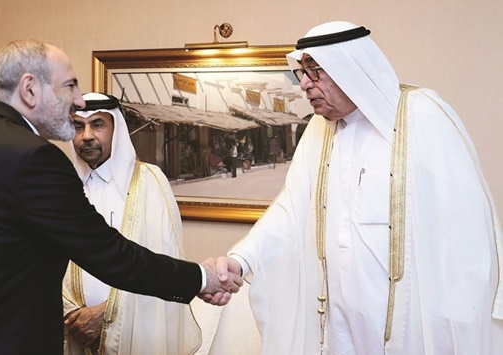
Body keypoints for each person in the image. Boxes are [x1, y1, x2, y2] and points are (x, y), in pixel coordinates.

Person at [0, 39, 241, 355]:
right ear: (30, 89)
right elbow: (110, 254)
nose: (78, 100)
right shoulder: (33, 158)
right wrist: (200, 278)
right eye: (70, 86)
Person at [205, 21, 503, 354]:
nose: (304, 84)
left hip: (411, 326)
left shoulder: (421, 117)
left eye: (314, 72)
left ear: (350, 69)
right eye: (301, 72)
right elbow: (289, 214)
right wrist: (241, 261)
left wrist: (459, 318)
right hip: (337, 326)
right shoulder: (318, 133)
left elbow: (465, 230)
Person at [62, 93, 201, 354]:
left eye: (98, 124)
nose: (86, 136)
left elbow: (162, 261)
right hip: (74, 332)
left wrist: (106, 313)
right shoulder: (64, 186)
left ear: (117, 129)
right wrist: (73, 313)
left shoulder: (149, 182)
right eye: (78, 126)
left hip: (137, 333)